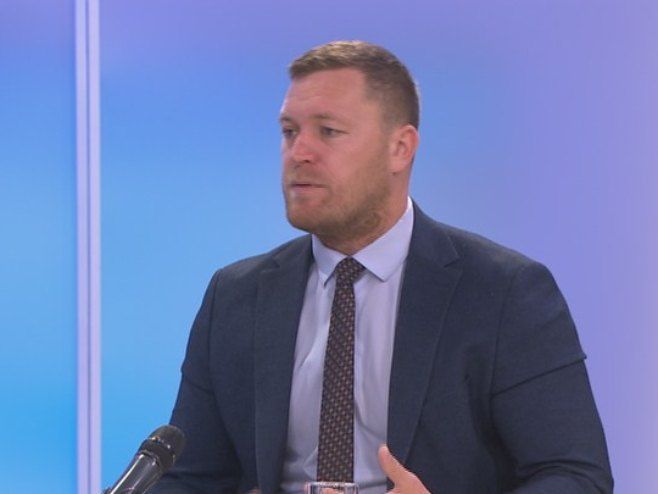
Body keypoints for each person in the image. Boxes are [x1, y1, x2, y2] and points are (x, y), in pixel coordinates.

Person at [152, 41, 613, 494]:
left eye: (328, 131)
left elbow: (577, 477)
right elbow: (189, 478)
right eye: (290, 131)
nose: (299, 152)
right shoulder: (236, 296)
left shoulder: (504, 292)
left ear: (400, 148)